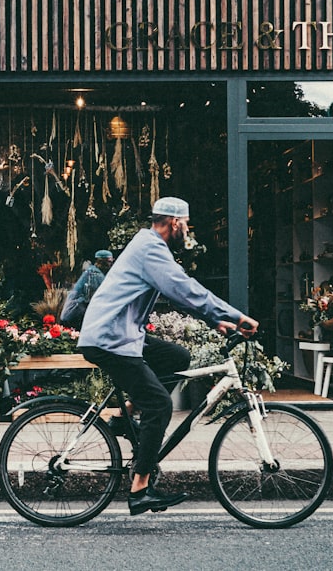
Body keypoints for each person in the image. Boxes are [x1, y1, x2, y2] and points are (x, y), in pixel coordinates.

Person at [77, 196, 259, 516]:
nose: (187, 230)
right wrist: (234, 315)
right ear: (174, 222)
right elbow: (185, 289)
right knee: (160, 405)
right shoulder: (150, 249)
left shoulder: (149, 245)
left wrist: (216, 320)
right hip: (111, 338)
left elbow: (181, 294)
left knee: (177, 357)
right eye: (186, 224)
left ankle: (124, 417)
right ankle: (140, 489)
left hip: (121, 334)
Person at [60, 249, 114, 327]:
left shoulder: (92, 272)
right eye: (109, 262)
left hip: (74, 313)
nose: (111, 264)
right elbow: (94, 298)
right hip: (75, 314)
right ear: (102, 262)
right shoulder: (94, 274)